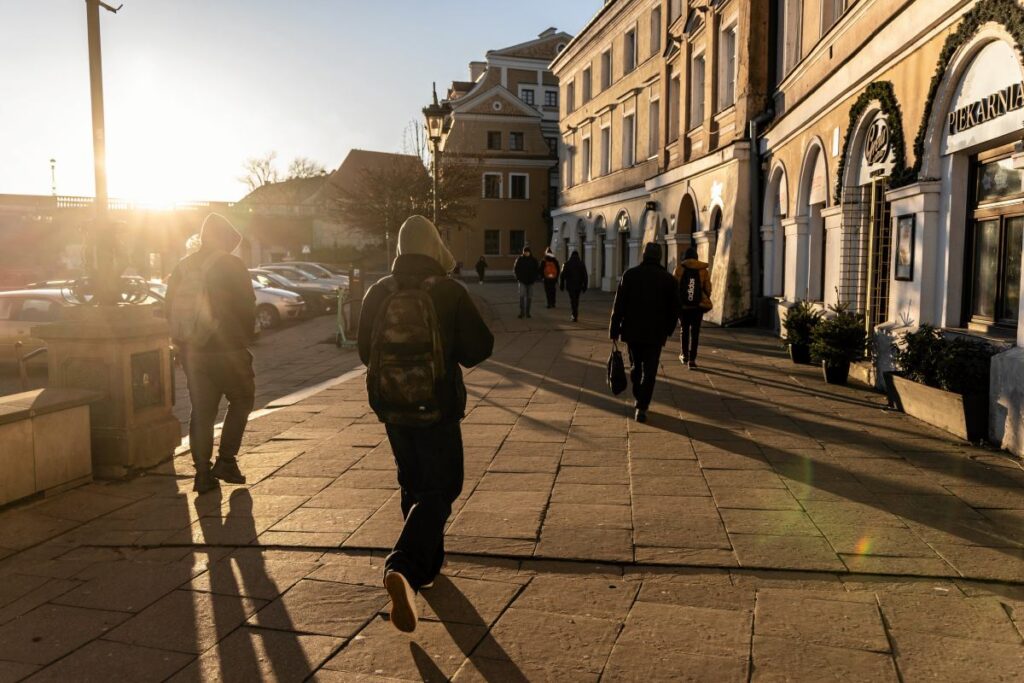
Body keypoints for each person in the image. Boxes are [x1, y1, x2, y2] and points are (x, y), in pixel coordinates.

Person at [358, 215, 494, 634]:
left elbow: (365, 351)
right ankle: (403, 566)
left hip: (392, 407)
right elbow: (479, 348)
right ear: (433, 246)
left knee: (414, 483)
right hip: (437, 407)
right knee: (443, 487)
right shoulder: (448, 290)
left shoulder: (379, 291)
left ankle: (428, 568)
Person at [166, 214, 257, 494]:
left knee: (202, 412)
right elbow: (247, 306)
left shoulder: (183, 266)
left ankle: (202, 474)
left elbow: (169, 307)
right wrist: (244, 336)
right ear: (225, 239)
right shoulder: (232, 264)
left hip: (193, 352)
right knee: (242, 400)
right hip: (227, 349)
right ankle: (226, 461)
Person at [609, 242, 679, 423]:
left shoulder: (630, 275)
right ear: (660, 257)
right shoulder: (668, 280)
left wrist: (614, 329)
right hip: (656, 334)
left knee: (636, 366)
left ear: (644, 255)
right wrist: (668, 330)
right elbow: (675, 309)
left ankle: (639, 396)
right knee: (650, 370)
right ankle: (642, 405)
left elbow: (619, 305)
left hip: (632, 331)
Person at [673, 246, 713, 369]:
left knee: (684, 330)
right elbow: (708, 288)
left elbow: (675, 287)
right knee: (695, 332)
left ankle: (684, 355)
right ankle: (692, 359)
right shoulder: (703, 271)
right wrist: (702, 296)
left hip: (683, 307)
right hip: (698, 306)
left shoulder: (679, 269)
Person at [560, 250, 588, 322]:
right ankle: (575, 314)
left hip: (570, 285)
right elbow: (585, 276)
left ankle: (574, 315)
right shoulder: (581, 264)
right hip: (579, 285)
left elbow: (562, 275)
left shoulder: (567, 264)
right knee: (576, 299)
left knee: (573, 300)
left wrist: (562, 285)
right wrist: (585, 286)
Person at [513, 245, 539, 319]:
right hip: (522, 281)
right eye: (525, 252)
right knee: (522, 296)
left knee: (529, 297)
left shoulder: (533, 260)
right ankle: (522, 312)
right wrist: (518, 278)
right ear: (523, 252)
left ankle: (528, 312)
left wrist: (534, 278)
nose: (526, 253)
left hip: (530, 281)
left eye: (527, 252)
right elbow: (516, 269)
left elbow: (537, 270)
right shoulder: (520, 259)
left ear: (530, 252)